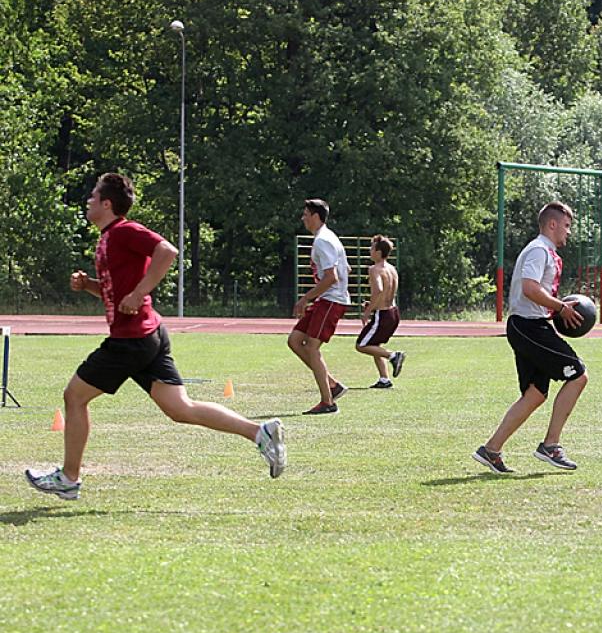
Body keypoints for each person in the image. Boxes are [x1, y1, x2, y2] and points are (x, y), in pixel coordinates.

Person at [25, 173, 286, 500]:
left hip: (131, 340)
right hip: (147, 334)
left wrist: (139, 292)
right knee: (181, 409)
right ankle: (260, 432)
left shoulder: (123, 230)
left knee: (74, 396)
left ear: (107, 204)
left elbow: (167, 250)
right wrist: (89, 285)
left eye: (93, 196)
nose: (88, 200)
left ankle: (69, 478)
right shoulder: (107, 238)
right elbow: (117, 292)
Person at [473, 201, 588, 474]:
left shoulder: (543, 250)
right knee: (579, 375)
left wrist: (556, 306)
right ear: (552, 224)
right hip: (529, 326)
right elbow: (529, 289)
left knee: (535, 394)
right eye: (567, 226)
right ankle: (551, 445)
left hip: (527, 326)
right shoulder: (539, 250)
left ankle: (491, 450)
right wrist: (561, 306)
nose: (568, 232)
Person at [288, 199, 352, 414]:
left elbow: (331, 278)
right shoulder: (327, 237)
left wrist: (305, 298)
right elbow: (346, 269)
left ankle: (328, 402)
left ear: (316, 216)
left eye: (306, 214)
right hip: (326, 299)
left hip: (331, 300)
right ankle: (332, 385)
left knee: (311, 348)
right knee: (295, 340)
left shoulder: (322, 241)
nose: (303, 218)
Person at [355, 235, 405, 388]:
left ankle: (393, 356)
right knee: (374, 344)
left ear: (378, 252)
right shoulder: (392, 269)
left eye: (372, 248)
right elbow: (387, 293)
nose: (369, 251)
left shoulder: (374, 269)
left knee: (361, 345)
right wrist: (374, 303)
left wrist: (368, 310)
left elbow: (378, 290)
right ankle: (384, 379)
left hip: (382, 315)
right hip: (394, 312)